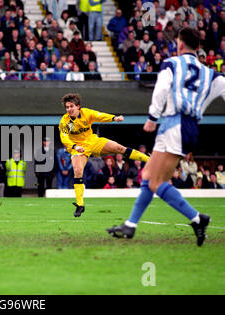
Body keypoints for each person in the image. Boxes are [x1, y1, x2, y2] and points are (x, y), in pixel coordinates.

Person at [107, 28, 225, 247]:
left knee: (156, 182)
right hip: (189, 127)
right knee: (149, 176)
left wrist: (152, 117)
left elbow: (161, 89)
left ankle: (197, 219)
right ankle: (131, 225)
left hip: (174, 124)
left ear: (179, 45)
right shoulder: (212, 75)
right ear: (197, 48)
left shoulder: (171, 64)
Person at [59, 93, 150, 217]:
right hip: (77, 148)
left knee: (119, 148)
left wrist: (114, 118)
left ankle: (149, 159)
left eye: (71, 106)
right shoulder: (65, 121)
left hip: (92, 141)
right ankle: (80, 205)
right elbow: (64, 138)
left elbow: (100, 116)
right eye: (67, 107)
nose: (69, 109)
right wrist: (75, 147)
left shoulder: (86, 113)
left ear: (78, 106)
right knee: (78, 170)